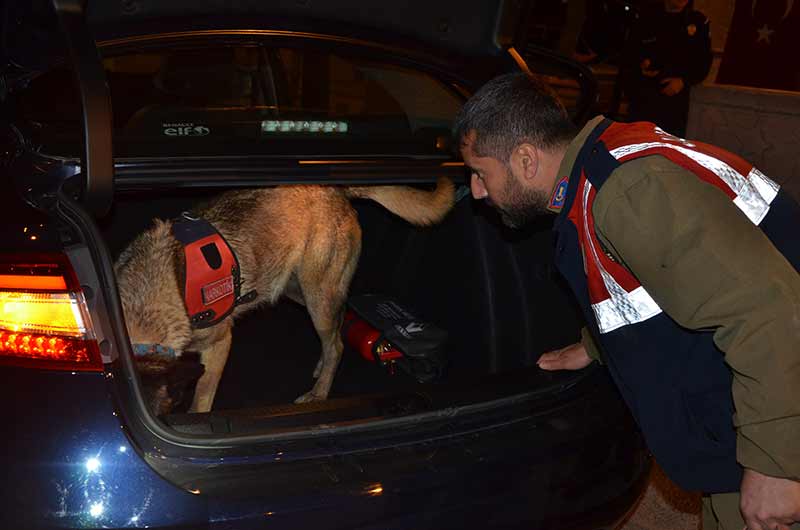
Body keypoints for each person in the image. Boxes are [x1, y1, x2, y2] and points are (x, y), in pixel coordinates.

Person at [454, 71, 800, 530]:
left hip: (781, 412)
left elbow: (769, 310)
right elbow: (658, 283)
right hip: (744, 416)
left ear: (525, 160)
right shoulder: (597, 169)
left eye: (481, 174)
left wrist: (774, 463)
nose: (477, 192)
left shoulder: (629, 192)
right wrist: (597, 342)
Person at [620, 0, 712, 137]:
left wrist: (683, 81)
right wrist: (640, 65)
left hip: (675, 101)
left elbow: (703, 61)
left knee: (668, 146)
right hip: (644, 96)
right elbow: (629, 53)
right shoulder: (646, 17)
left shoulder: (697, 21)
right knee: (637, 141)